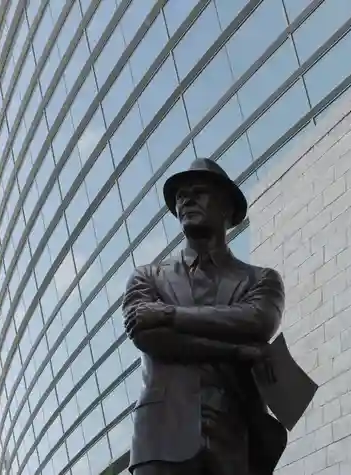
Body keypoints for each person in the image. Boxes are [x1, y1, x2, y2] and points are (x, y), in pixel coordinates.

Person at [122, 158, 288, 475]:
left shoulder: (260, 280)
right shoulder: (148, 277)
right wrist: (235, 350)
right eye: (181, 195)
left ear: (226, 206)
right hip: (162, 438)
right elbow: (149, 337)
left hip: (236, 436)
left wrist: (169, 313)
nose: (186, 200)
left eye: (199, 192)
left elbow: (257, 321)